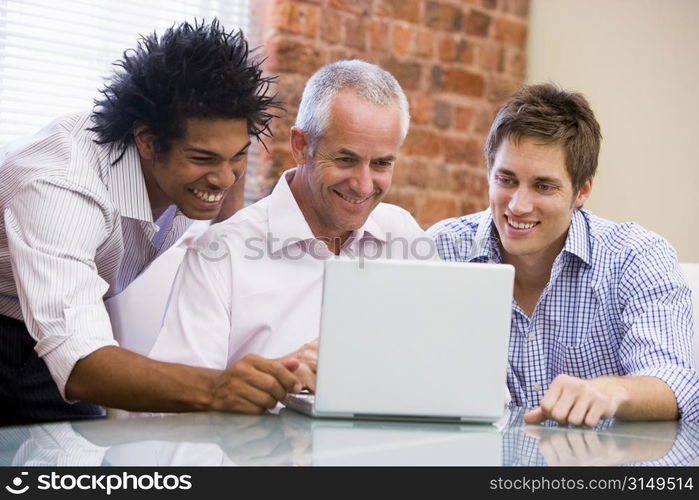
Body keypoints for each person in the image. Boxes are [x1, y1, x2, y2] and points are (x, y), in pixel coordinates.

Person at [0, 19, 303, 425]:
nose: (225, 177)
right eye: (202, 159)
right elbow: (81, 362)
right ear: (147, 140)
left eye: (238, 156)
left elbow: (223, 167)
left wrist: (226, 230)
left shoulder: (201, 165)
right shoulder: (61, 186)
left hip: (46, 334)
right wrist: (217, 388)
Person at [149, 60, 432, 391]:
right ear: (301, 146)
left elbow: (446, 362)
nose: (364, 185)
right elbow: (174, 407)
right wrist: (276, 383)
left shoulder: (402, 233)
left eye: (382, 163)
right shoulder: (220, 253)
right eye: (345, 160)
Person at [428, 83, 699, 427]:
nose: (518, 206)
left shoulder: (636, 257)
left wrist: (612, 391)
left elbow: (675, 383)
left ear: (582, 190)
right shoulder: (442, 251)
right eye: (506, 180)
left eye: (543, 186)